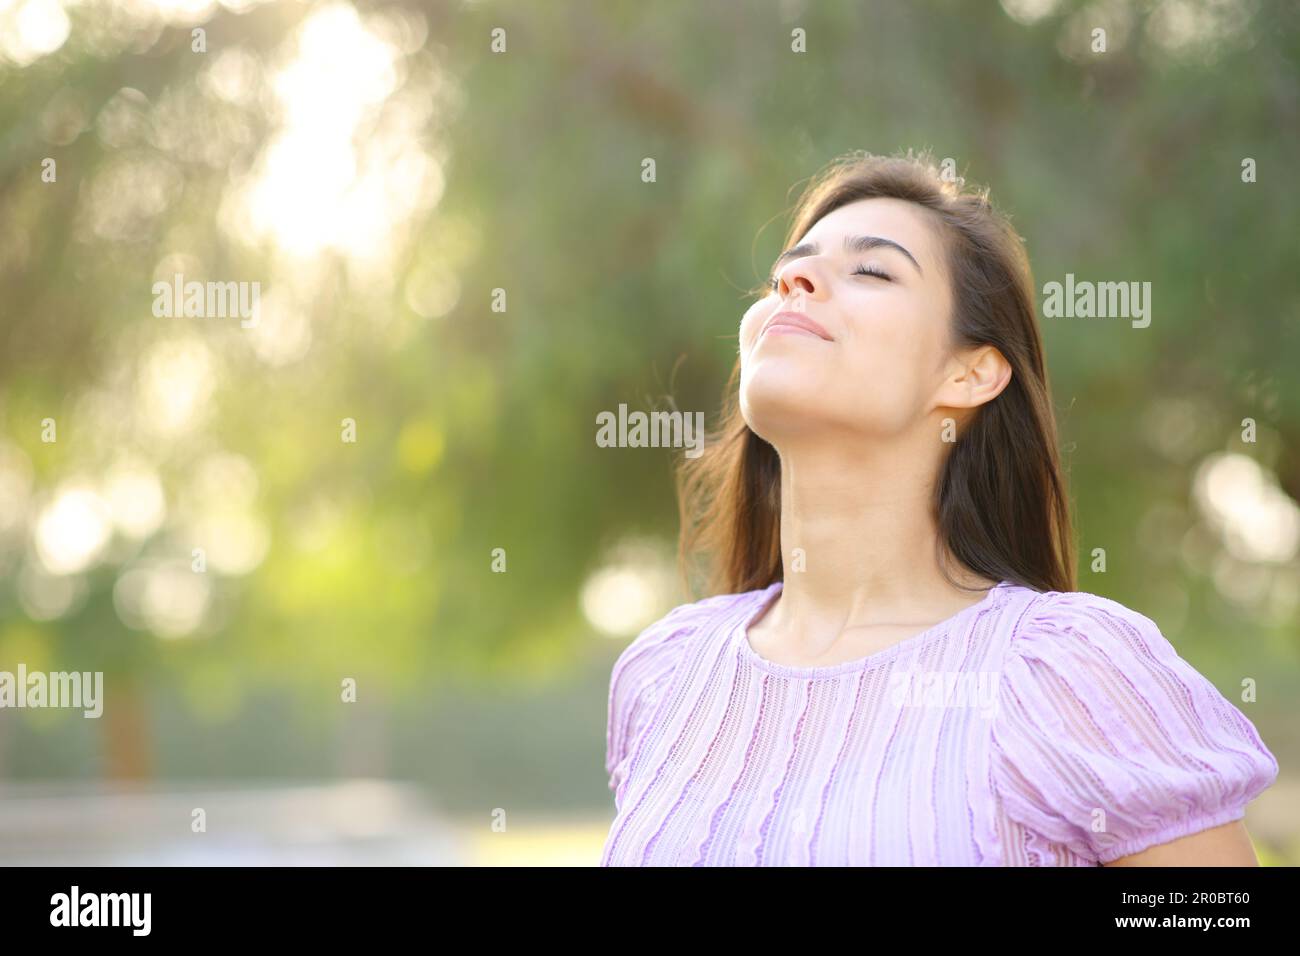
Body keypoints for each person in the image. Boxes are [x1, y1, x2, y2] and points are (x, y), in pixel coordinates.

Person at [600, 149, 1278, 866]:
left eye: (870, 270)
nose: (793, 281)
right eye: (784, 275)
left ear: (970, 371)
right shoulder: (666, 676)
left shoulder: (1063, 671)